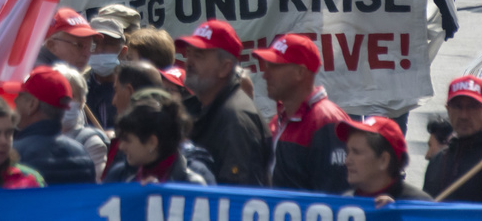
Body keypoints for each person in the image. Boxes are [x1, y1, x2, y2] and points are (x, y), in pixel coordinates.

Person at [175, 20, 270, 186]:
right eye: (188, 54)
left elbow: (238, 197)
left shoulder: (235, 120)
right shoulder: (206, 109)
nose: (188, 62)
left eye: (198, 55)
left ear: (225, 68)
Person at [250, 34, 349, 193]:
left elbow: (335, 199)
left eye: (274, 67)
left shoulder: (327, 122)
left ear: (300, 73)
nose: (265, 75)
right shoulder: (278, 121)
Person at [422, 76, 482, 203]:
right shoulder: (438, 161)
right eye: (457, 106)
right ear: (448, 110)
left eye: (473, 107)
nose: (464, 115)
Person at [11, 66, 96, 185]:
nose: (14, 101)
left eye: (19, 95)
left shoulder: (13, 154)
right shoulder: (82, 153)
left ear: (32, 104)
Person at [105, 89, 209, 185]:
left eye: (127, 140)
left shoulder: (192, 184)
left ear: (152, 142)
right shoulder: (119, 176)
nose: (121, 146)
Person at [336, 116, 431, 204]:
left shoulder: (420, 206)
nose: (347, 161)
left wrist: (396, 215)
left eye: (357, 152)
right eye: (348, 152)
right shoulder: (344, 203)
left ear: (384, 160)